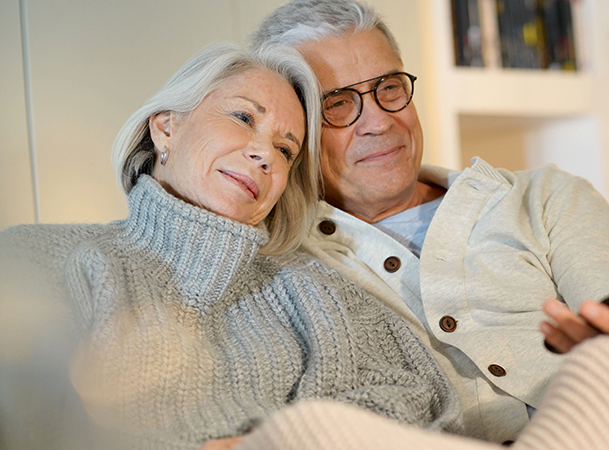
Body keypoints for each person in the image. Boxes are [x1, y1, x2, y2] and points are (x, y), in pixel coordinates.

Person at [250, 0, 609, 442]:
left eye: (389, 87)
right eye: (339, 103)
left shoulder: (546, 197)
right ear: (295, 128)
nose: (381, 122)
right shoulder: (280, 261)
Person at [0, 42, 461, 450]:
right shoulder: (39, 258)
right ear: (166, 128)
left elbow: (416, 397)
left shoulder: (316, 291)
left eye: (286, 150)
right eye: (244, 118)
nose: (265, 154)